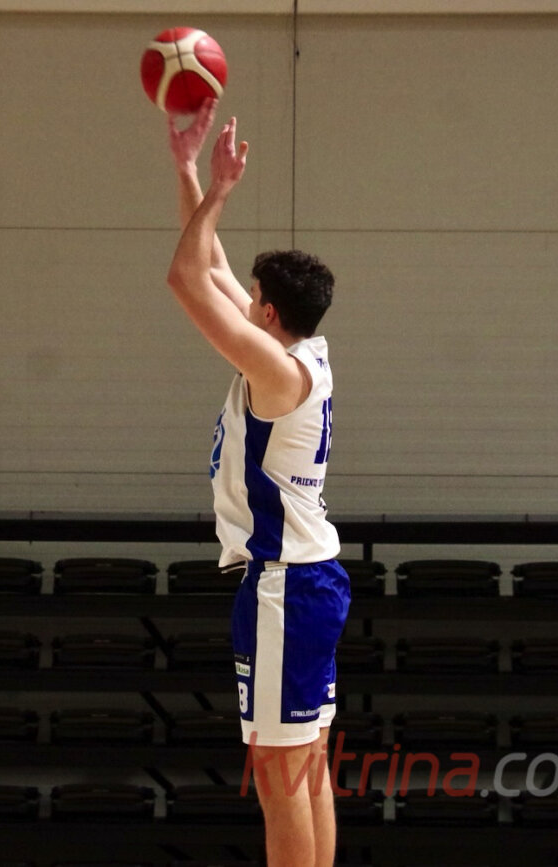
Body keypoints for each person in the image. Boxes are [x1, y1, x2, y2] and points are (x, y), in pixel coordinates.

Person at [165, 100, 349, 867]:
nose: (239, 296)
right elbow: (208, 266)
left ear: (267, 312)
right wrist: (187, 168)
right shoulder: (298, 353)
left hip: (284, 586)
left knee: (278, 775)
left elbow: (184, 277)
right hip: (310, 579)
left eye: (251, 296)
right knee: (306, 764)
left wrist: (219, 192)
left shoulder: (275, 371)